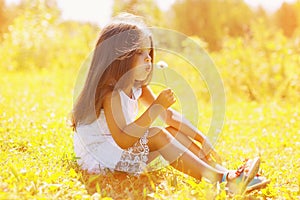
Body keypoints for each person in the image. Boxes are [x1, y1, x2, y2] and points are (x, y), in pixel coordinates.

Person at [71, 13, 268, 195]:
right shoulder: (110, 94)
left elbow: (170, 117)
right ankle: (224, 180)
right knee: (158, 134)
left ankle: (228, 174)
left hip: (119, 153)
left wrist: (201, 139)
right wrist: (156, 107)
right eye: (139, 52)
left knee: (171, 132)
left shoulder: (137, 88)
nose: (148, 57)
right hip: (102, 160)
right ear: (118, 57)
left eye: (148, 51)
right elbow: (123, 138)